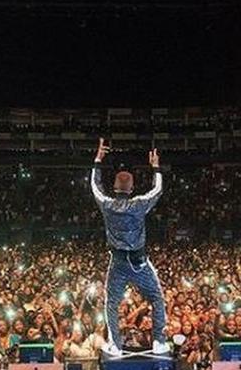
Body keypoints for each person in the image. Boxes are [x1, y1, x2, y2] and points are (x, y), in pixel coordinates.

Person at [91, 138, 168, 356]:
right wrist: (155, 167)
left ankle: (115, 345)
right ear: (132, 188)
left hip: (118, 262)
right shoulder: (139, 204)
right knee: (156, 298)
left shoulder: (106, 204)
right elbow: (158, 189)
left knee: (112, 303)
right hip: (139, 261)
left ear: (114, 187)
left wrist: (98, 160)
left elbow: (94, 186)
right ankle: (159, 342)